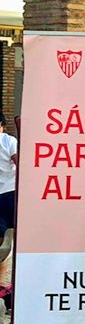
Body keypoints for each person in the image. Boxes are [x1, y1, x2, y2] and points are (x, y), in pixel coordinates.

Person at [0, 112, 17, 278]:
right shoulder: (8, 141)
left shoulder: (8, 140)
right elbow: (18, 161)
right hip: (10, 193)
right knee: (11, 239)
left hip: (6, 194)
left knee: (2, 242)